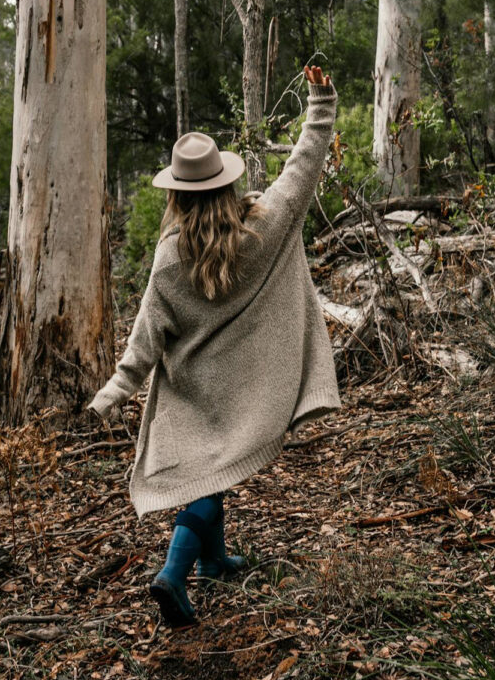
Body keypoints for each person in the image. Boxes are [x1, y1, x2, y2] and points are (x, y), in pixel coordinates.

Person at [88, 65, 341, 627]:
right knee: (213, 477)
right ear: (226, 183)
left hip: (193, 394)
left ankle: (212, 562)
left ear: (176, 196)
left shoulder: (169, 258)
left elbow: (145, 339)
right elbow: (303, 165)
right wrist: (320, 101)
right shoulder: (265, 227)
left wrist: (111, 394)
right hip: (246, 388)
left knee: (212, 469)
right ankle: (172, 577)